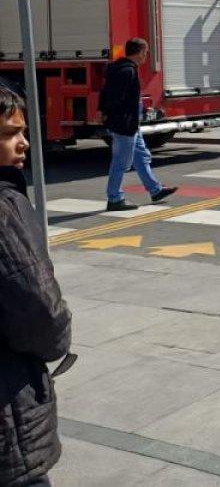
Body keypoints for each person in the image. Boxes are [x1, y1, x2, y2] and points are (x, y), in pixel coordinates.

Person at [0, 83, 72, 485]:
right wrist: (55, 344)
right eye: (9, 134)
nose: (23, 143)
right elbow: (40, 311)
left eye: (23, 132)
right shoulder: (4, 209)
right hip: (8, 409)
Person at [99, 38, 176, 212]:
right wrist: (118, 118)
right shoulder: (127, 71)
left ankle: (155, 190)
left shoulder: (119, 68)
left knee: (141, 157)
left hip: (131, 124)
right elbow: (115, 98)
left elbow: (104, 93)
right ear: (140, 52)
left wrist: (102, 111)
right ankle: (114, 198)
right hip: (125, 125)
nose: (146, 56)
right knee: (121, 162)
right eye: (146, 52)